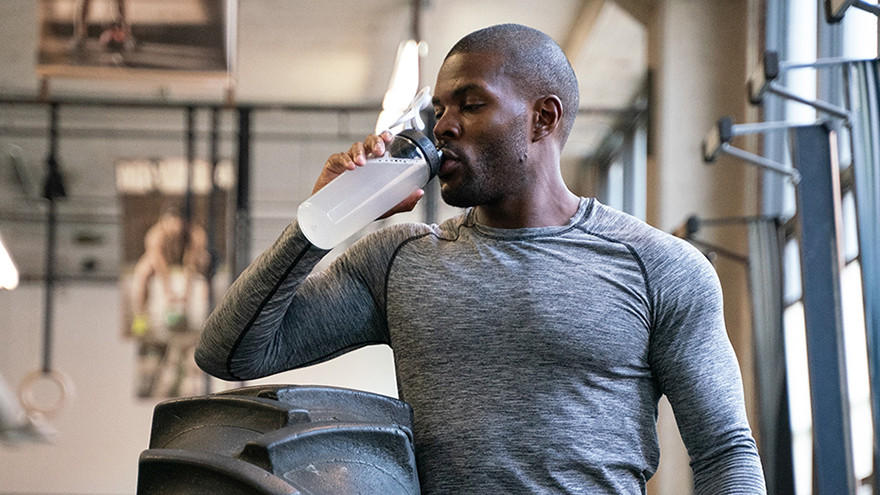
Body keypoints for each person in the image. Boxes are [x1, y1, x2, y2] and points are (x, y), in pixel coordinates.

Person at [196, 24, 766, 494]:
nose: (443, 127)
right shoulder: (398, 260)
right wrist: (321, 219)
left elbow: (724, 453)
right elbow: (231, 352)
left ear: (543, 118)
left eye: (471, 105)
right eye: (439, 109)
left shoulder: (660, 267)